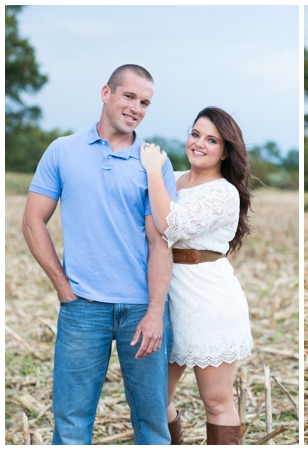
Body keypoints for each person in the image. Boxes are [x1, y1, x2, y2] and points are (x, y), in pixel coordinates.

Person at [22, 64, 176, 444]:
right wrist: (63, 287)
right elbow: (32, 222)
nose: (136, 108)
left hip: (141, 310)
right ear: (106, 93)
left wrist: (156, 312)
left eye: (145, 103)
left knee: (152, 425)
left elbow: (161, 242)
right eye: (129, 96)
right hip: (82, 308)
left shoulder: (153, 162)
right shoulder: (62, 151)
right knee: (71, 424)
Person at [140, 107, 255, 445]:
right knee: (153, 402)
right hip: (167, 298)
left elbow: (171, 225)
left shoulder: (224, 192)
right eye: (195, 134)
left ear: (225, 150)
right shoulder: (171, 178)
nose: (199, 143)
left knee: (216, 402)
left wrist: (151, 172)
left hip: (208, 301)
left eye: (211, 140)